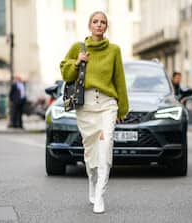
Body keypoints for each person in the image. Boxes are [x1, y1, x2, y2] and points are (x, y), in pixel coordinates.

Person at [60, 11, 129, 214]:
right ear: (89, 25)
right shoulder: (77, 47)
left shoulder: (114, 50)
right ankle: (92, 179)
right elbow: (64, 72)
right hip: (86, 106)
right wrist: (77, 61)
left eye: (103, 22)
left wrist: (123, 108)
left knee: (105, 146)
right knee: (90, 152)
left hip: (107, 104)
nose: (99, 25)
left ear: (106, 27)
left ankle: (100, 195)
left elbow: (120, 80)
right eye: (95, 22)